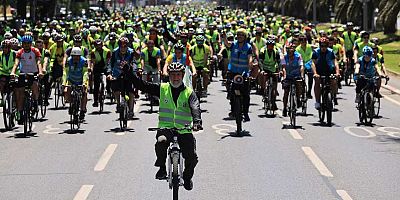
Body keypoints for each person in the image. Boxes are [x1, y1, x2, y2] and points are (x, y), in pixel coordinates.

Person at [131, 62, 202, 191]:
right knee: (161, 141)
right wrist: (129, 73)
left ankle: (186, 178)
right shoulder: (162, 88)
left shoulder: (189, 92)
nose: (176, 78)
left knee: (191, 157)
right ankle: (162, 168)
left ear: (182, 76)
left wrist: (197, 121)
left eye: (178, 75)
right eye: (173, 75)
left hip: (184, 129)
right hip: (166, 128)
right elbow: (142, 85)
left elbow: (195, 107)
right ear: (169, 76)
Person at [10, 35, 43, 125]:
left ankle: (35, 102)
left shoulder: (35, 51)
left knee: (35, 86)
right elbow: (16, 63)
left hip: (33, 72)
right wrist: (13, 72)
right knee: (21, 93)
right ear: (22, 44)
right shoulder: (20, 52)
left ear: (31, 44)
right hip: (22, 73)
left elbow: (39, 62)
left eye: (28, 43)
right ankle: (20, 113)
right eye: (25, 43)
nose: (26, 45)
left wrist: (40, 72)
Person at [222, 28, 253, 121]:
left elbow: (250, 58)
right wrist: (224, 37)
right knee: (231, 91)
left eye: (242, 35)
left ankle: (246, 113)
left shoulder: (248, 47)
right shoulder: (234, 44)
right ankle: (233, 110)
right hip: (233, 72)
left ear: (245, 37)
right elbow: (227, 44)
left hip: (243, 73)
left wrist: (250, 66)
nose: (239, 37)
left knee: (246, 94)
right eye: (238, 35)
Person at [106, 37, 139, 118]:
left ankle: (131, 110)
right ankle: (118, 103)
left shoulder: (131, 52)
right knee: (115, 89)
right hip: (117, 74)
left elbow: (134, 63)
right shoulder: (114, 52)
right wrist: (109, 73)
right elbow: (110, 64)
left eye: (125, 46)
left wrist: (134, 73)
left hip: (128, 74)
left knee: (131, 92)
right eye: (121, 46)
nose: (123, 48)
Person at [311, 37, 340, 109]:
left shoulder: (331, 52)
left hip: (329, 70)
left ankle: (333, 97)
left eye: (325, 46)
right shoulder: (315, 52)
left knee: (333, 81)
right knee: (317, 82)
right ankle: (317, 101)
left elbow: (335, 63)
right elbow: (313, 63)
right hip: (319, 71)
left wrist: (337, 72)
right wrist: (315, 73)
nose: (323, 48)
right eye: (322, 46)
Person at [63, 47, 89, 120]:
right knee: (66, 93)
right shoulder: (68, 61)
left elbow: (85, 73)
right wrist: (64, 83)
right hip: (71, 80)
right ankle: (72, 105)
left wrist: (84, 83)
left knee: (84, 93)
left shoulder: (84, 61)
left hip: (81, 80)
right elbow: (65, 72)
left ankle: (83, 110)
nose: (76, 58)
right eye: (74, 56)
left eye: (78, 56)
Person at [281, 43, 304, 116]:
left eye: (291, 50)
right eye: (288, 50)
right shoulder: (284, 57)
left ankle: (298, 99)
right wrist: (284, 77)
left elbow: (301, 66)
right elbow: (284, 68)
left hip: (296, 75)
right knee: (286, 92)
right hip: (288, 76)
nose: (289, 52)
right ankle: (284, 108)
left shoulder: (298, 56)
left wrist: (302, 75)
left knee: (299, 86)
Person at [259, 39, 281, 110]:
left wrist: (280, 71)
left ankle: (273, 102)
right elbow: (260, 62)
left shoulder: (276, 52)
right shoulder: (263, 52)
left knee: (274, 87)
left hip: (273, 69)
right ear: (267, 46)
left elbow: (279, 62)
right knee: (263, 77)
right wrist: (262, 70)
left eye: (272, 46)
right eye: (269, 46)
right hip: (265, 68)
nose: (271, 47)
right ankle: (263, 90)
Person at [89, 39, 111, 107]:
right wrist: (92, 69)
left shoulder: (107, 51)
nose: (98, 47)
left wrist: (106, 68)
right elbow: (93, 62)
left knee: (109, 76)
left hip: (106, 65)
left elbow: (108, 61)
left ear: (102, 45)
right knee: (96, 84)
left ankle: (108, 90)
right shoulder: (93, 52)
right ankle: (96, 100)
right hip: (97, 66)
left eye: (100, 45)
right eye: (97, 46)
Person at [0, 40, 17, 105]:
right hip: (4, 73)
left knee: (16, 88)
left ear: (10, 48)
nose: (4, 49)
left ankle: (15, 102)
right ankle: (3, 97)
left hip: (14, 73)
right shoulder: (0, 54)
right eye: (3, 47)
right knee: (2, 84)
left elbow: (18, 63)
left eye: (6, 47)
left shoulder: (14, 53)